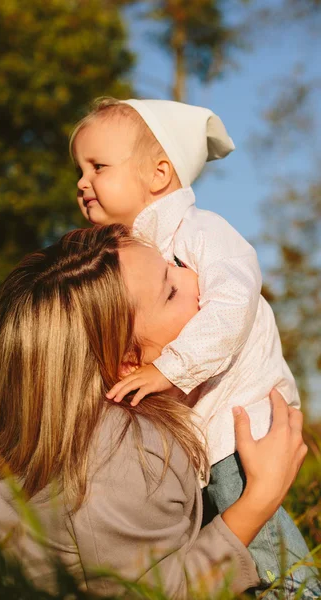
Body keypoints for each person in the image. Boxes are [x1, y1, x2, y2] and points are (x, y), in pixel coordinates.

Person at [0, 225, 310, 598]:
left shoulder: (83, 427)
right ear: (129, 361)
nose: (197, 278)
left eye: (174, 264)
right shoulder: (129, 456)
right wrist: (259, 499)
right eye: (171, 290)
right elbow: (155, 593)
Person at [70, 98, 321, 598]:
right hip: (203, 430)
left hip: (239, 419)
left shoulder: (202, 232)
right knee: (211, 535)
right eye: (79, 169)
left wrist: (171, 368)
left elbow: (235, 302)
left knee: (259, 540)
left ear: (159, 173)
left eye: (98, 167)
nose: (81, 181)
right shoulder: (137, 251)